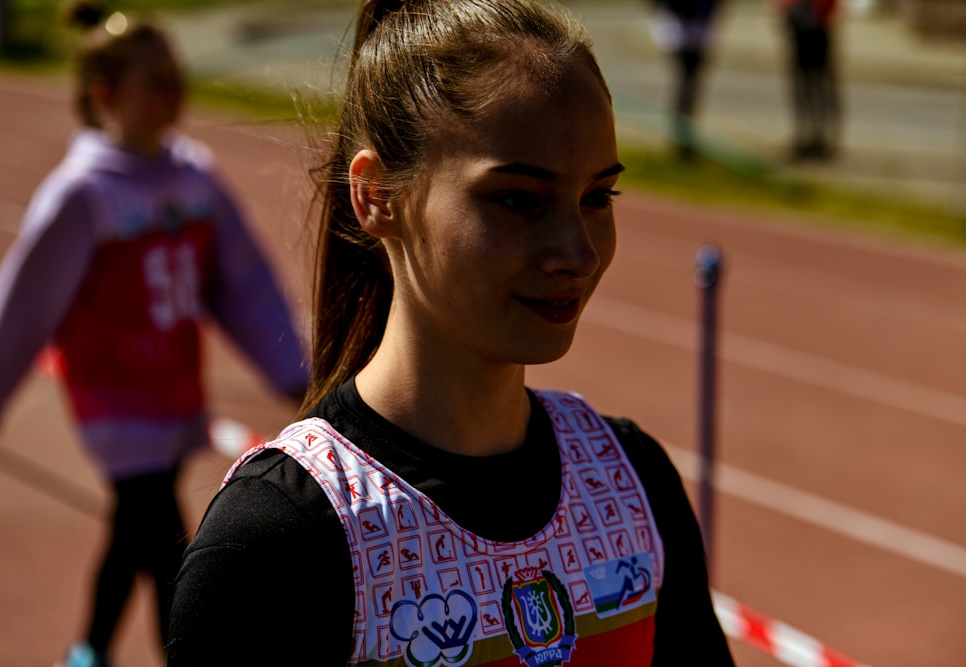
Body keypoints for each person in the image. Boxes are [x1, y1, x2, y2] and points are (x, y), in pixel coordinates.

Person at [168, 0, 734, 665]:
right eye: (519, 199)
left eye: (597, 197)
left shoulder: (632, 480)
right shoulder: (277, 541)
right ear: (375, 194)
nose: (576, 251)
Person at [0, 4, 308, 667]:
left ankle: (88, 649)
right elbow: (25, 303)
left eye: (174, 74)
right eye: (153, 79)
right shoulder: (84, 194)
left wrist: (294, 367)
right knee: (165, 539)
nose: (172, 89)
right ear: (106, 95)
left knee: (134, 530)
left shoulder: (194, 177)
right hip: (114, 401)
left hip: (175, 388)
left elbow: (243, 282)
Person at [650, 0, 722, 159]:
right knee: (685, 81)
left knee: (690, 82)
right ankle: (681, 135)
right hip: (678, 22)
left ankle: (684, 135)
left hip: (701, 21)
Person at [778, 0, 841, 160]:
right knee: (803, 85)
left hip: (819, 28)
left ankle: (820, 137)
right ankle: (805, 136)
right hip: (800, 27)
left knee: (819, 85)